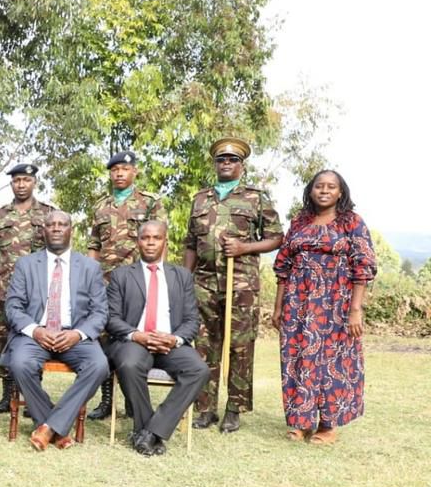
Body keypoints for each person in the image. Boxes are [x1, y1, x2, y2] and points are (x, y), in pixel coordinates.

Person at [183, 137, 283, 433]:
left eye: (232, 160)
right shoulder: (200, 199)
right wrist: (184, 280)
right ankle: (205, 407)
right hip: (203, 283)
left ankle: (234, 409)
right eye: (221, 160)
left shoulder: (256, 198)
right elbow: (190, 242)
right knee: (204, 345)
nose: (226, 164)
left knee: (240, 346)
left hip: (241, 283)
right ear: (215, 164)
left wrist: (244, 248)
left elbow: (277, 238)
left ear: (242, 165)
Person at [273, 170, 377, 444]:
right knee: (298, 358)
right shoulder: (299, 221)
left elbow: (363, 268)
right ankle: (301, 421)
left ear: (340, 192)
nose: (324, 191)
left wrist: (355, 310)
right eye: (319, 186)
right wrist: (278, 307)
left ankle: (328, 426)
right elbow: (282, 266)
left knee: (333, 362)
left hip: (336, 305)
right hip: (298, 304)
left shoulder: (351, 222)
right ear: (310, 190)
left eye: (331, 187)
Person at [2, 210, 110, 451]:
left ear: (71, 230)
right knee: (20, 363)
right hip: (36, 335)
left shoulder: (90, 267)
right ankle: (56, 426)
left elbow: (100, 312)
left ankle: (48, 427)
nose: (57, 228)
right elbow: (13, 306)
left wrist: (77, 334)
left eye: (63, 224)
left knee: (99, 365)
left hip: (75, 335)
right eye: (51, 225)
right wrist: (35, 331)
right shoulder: (26, 264)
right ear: (43, 231)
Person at [106, 221, 209, 456]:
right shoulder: (121, 275)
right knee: (129, 364)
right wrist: (137, 335)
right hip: (133, 341)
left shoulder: (181, 276)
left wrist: (174, 339)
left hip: (169, 343)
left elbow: (192, 320)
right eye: (145, 238)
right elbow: (111, 318)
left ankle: (151, 432)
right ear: (138, 241)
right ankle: (147, 430)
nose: (151, 243)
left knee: (199, 370)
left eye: (156, 238)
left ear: (165, 242)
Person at [86, 150, 167, 421]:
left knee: (137, 337)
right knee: (104, 339)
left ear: (135, 172)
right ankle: (107, 399)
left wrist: (158, 279)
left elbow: (160, 243)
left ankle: (134, 400)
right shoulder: (100, 206)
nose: (119, 173)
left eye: (124, 169)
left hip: (139, 282)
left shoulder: (150, 203)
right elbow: (94, 247)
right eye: (114, 170)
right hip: (106, 283)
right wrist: (90, 280)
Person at [0, 163, 55, 414]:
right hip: (4, 291)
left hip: (36, 294)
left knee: (35, 341)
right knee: (2, 342)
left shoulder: (48, 215)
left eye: (26, 180)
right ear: (12, 184)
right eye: (17, 181)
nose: (21, 184)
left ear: (35, 182)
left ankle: (31, 395)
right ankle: (7, 395)